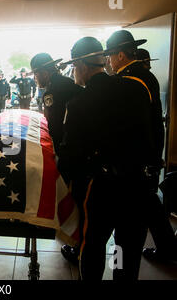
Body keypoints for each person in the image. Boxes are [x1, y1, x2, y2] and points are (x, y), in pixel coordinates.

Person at [58, 37, 155, 280]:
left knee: (93, 246)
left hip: (103, 188)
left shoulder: (79, 104)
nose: (73, 73)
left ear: (81, 65)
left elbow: (71, 156)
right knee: (127, 251)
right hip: (138, 185)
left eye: (73, 67)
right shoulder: (136, 88)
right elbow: (152, 134)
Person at [105, 30, 177, 262]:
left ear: (121, 55)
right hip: (148, 155)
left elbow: (127, 128)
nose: (109, 61)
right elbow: (155, 122)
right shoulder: (146, 75)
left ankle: (124, 266)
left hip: (133, 162)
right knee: (150, 203)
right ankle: (168, 248)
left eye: (110, 56)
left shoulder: (127, 80)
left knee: (129, 222)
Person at [30, 53, 82, 154]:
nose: (34, 79)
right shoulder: (69, 82)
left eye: (36, 74)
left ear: (44, 73)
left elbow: (54, 126)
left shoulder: (51, 93)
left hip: (67, 146)